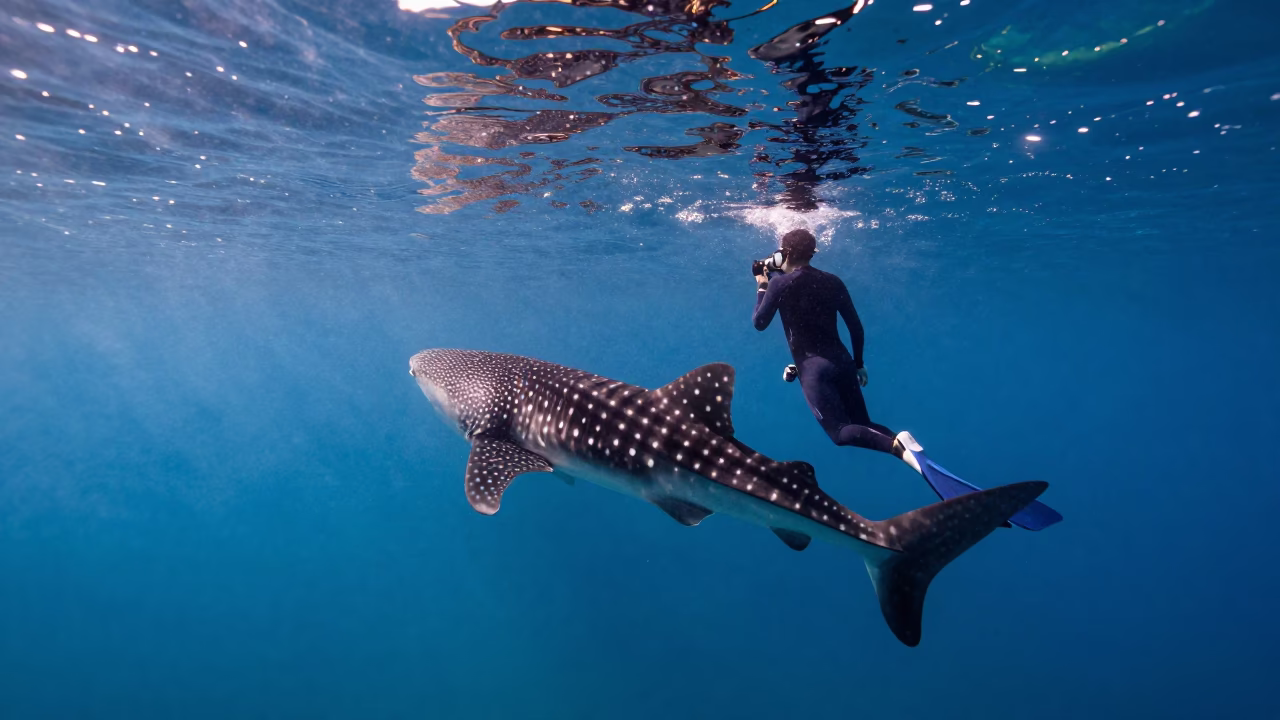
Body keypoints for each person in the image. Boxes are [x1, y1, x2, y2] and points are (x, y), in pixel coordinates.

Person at [751, 228, 1062, 530]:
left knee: (840, 432)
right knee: (864, 422)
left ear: (786, 252)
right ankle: (902, 447)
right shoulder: (832, 281)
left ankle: (898, 445)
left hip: (815, 370)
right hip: (843, 362)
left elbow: (759, 322)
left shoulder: (780, 284)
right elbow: (855, 327)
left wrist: (762, 284)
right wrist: (858, 364)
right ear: (813, 252)